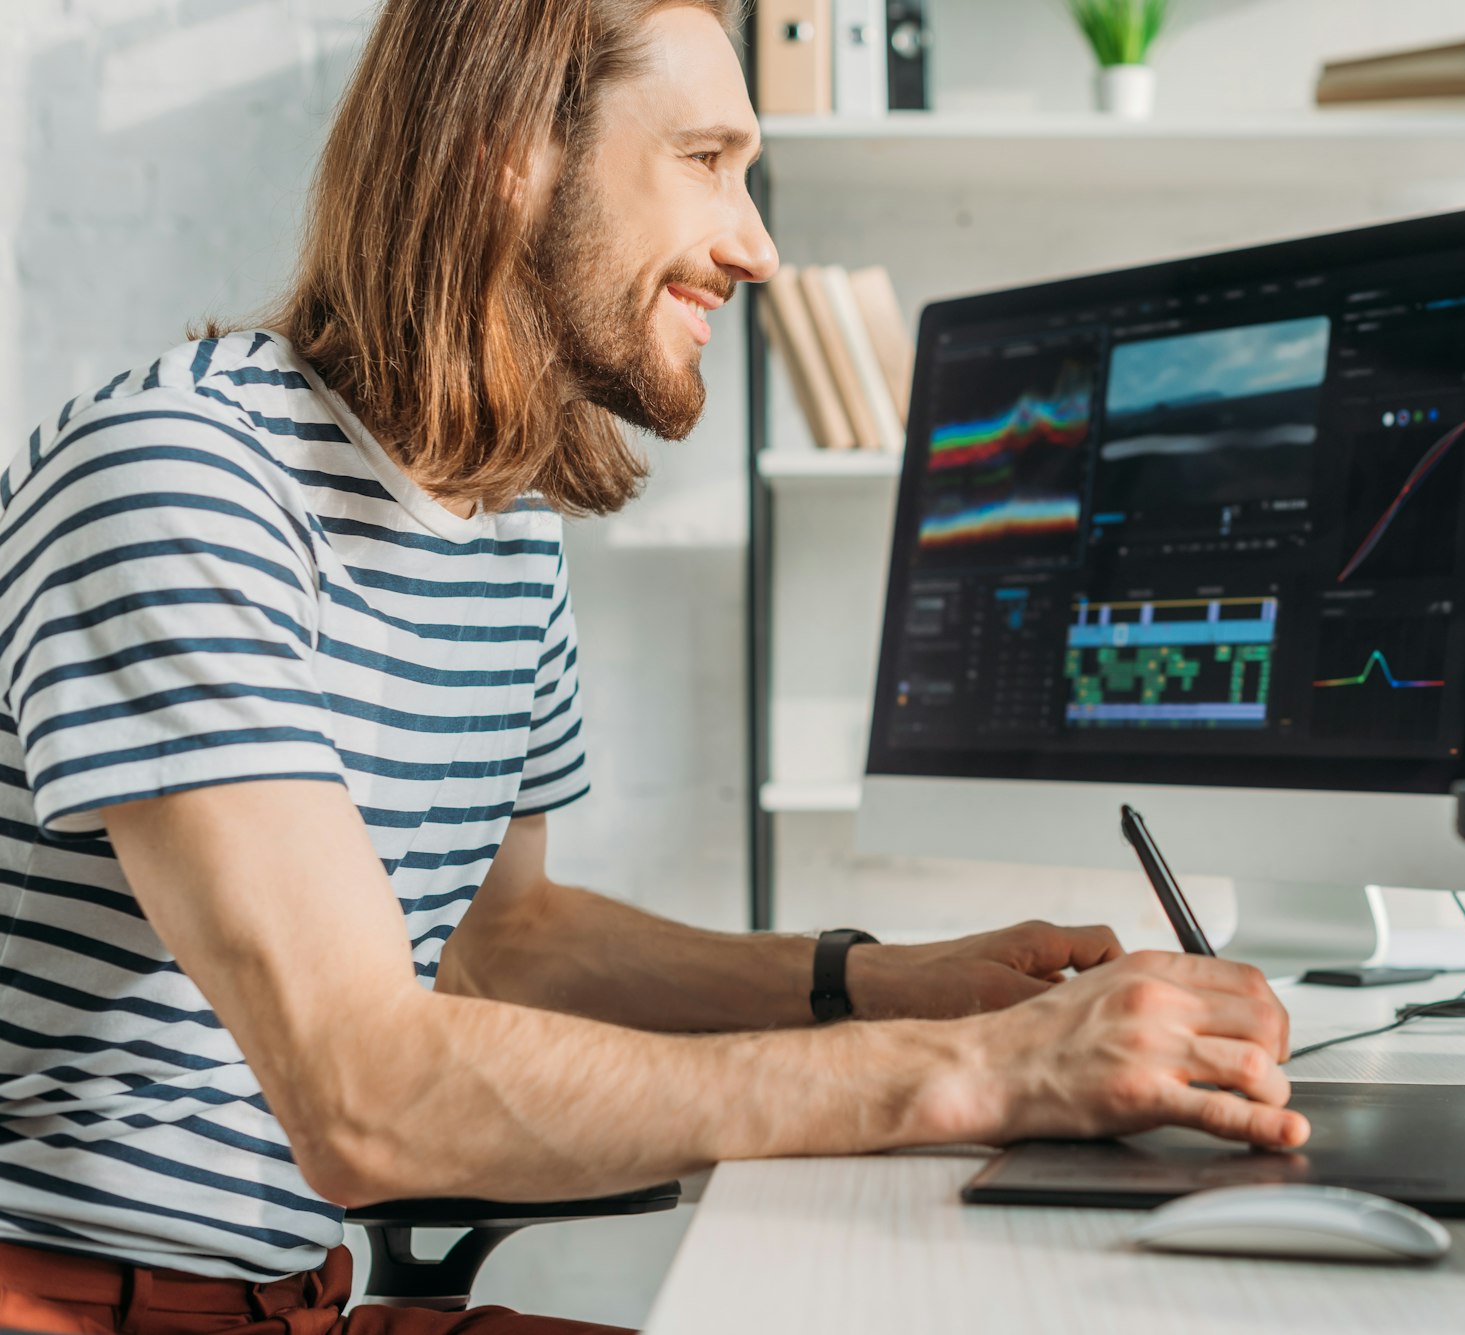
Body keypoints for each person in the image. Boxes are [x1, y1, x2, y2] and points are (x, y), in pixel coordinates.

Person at [0, 3, 1304, 1332]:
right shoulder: (179, 483)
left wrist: (871, 984)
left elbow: (504, 945)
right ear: (506, 155)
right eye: (704, 159)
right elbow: (364, 1095)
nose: (757, 244)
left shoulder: (500, 527)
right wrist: (977, 1070)